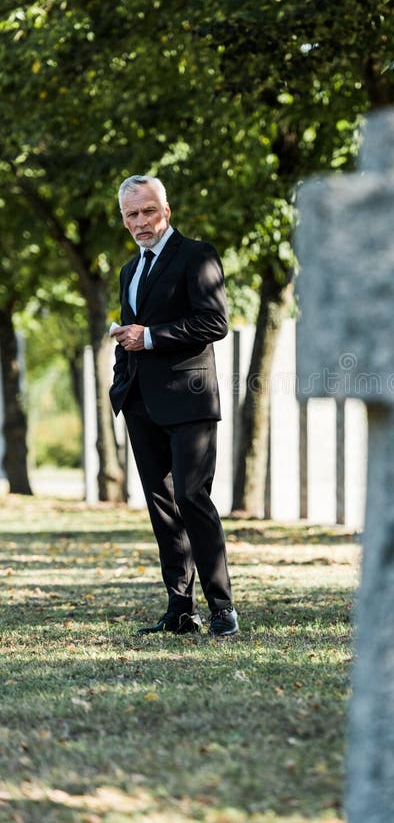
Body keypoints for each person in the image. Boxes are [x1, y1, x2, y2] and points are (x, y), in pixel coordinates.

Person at [109, 174, 238, 637]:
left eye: (147, 211)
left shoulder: (197, 255)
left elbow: (214, 322)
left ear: (166, 210)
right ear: (123, 220)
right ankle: (180, 610)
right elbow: (136, 332)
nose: (140, 222)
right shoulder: (129, 270)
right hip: (141, 402)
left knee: (191, 498)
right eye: (131, 215)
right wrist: (124, 360)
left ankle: (222, 609)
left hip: (189, 400)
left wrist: (152, 336)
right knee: (162, 508)